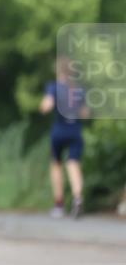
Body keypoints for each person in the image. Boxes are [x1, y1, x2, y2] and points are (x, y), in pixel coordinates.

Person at [39, 56, 89, 219]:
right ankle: (77, 198)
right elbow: (85, 113)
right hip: (75, 131)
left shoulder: (53, 87)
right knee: (73, 164)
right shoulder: (79, 89)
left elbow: (46, 106)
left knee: (56, 164)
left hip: (59, 131)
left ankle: (59, 205)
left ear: (58, 70)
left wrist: (43, 107)